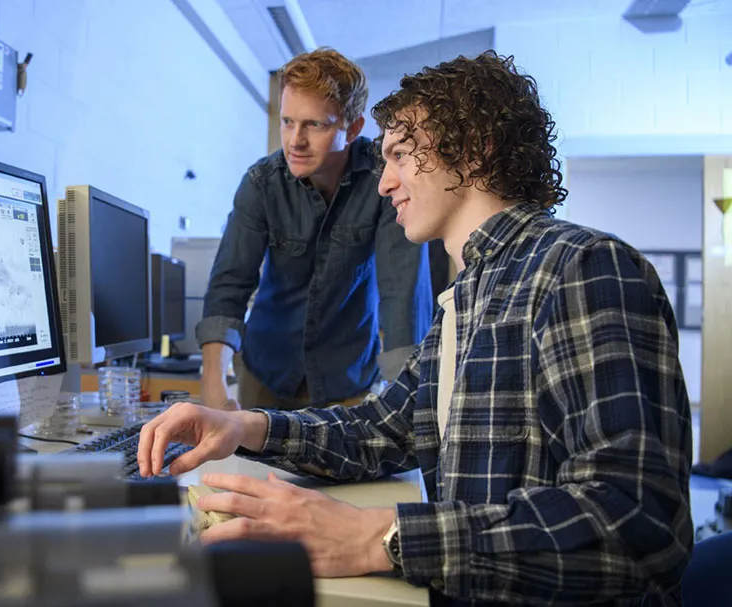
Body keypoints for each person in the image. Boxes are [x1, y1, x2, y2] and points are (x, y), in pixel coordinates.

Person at [139, 51, 693, 605]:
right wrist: (247, 428)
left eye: (401, 154)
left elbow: (638, 523)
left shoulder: (581, 268)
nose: (383, 184)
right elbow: (386, 429)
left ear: (475, 152)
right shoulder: (469, 297)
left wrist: (385, 536)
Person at [196, 47, 432, 411]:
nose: (295, 141)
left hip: (348, 379)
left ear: (352, 128)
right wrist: (213, 381)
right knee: (251, 469)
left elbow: (403, 295)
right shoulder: (262, 183)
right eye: (287, 121)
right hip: (267, 374)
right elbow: (230, 283)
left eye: (314, 125)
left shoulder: (383, 183)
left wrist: (409, 398)